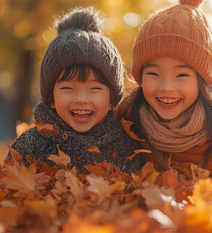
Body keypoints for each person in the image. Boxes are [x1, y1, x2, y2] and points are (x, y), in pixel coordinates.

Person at [117, 0, 212, 182]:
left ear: (202, 81)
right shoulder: (125, 119)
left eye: (181, 75)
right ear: (140, 77)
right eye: (153, 73)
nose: (167, 87)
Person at [9, 7, 144, 174]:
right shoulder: (29, 145)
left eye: (94, 88)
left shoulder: (127, 148)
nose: (81, 99)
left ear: (111, 100)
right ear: (51, 97)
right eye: (68, 88)